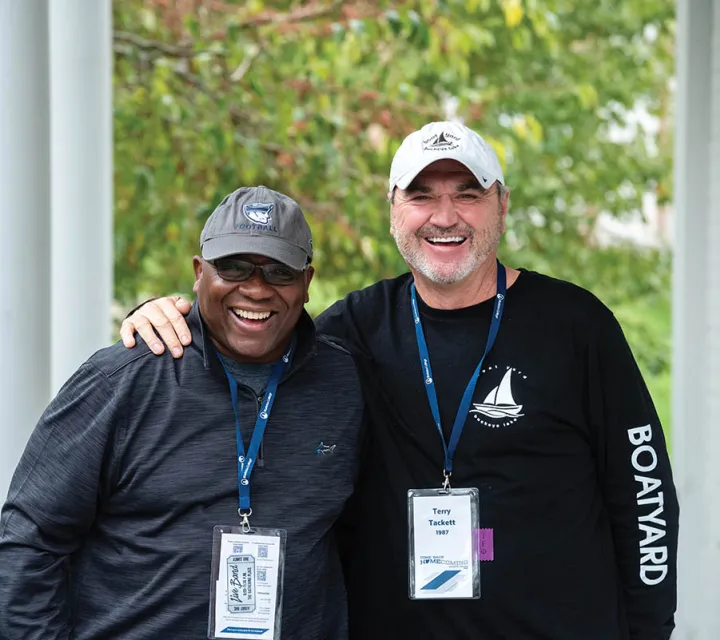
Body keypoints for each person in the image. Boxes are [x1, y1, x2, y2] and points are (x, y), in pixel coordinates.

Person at [119, 121, 679, 639]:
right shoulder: (351, 329)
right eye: (421, 195)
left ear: (502, 207)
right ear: (393, 211)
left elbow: (645, 494)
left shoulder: (575, 326)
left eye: (467, 193)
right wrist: (164, 313)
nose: (444, 215)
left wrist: (649, 630)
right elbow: (246, 330)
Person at [0, 186, 365, 640]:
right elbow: (29, 544)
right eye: (232, 267)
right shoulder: (121, 380)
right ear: (199, 273)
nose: (255, 287)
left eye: (278, 271)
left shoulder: (345, 381)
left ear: (306, 284)